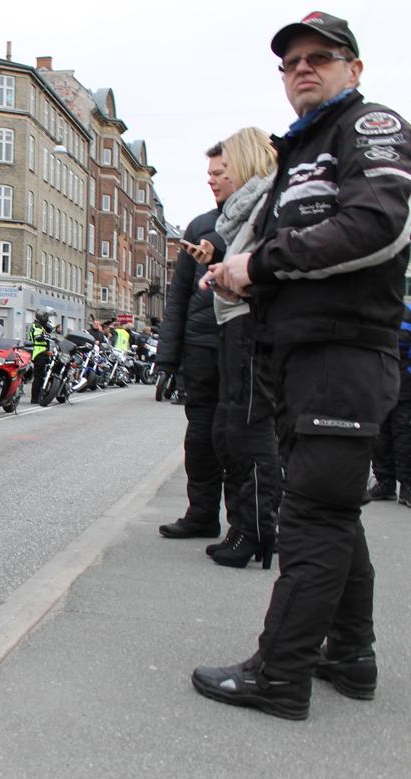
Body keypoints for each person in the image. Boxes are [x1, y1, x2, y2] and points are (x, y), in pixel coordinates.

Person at [193, 12, 411, 720]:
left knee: (311, 516)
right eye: (290, 64)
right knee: (331, 511)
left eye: (320, 58)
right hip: (303, 353)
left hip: (344, 351)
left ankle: (279, 673)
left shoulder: (370, 126)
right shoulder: (303, 146)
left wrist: (261, 264)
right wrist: (235, 272)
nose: (302, 70)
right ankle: (349, 654)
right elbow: (284, 244)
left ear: (355, 66)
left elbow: (378, 224)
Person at [187, 128, 282, 570]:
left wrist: (227, 273)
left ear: (243, 164)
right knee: (232, 430)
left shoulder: (264, 204)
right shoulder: (241, 213)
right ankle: (247, 527)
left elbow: (267, 265)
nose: (213, 179)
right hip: (233, 324)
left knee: (248, 430)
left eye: (222, 170)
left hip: (250, 326)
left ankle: (258, 530)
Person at [155, 144, 232, 541]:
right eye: (210, 172)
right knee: (200, 438)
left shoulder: (261, 221)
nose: (211, 179)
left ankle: (247, 525)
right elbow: (178, 294)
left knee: (237, 438)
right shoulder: (199, 225)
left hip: (242, 348)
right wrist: (167, 359)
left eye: (219, 172)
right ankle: (202, 514)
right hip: (200, 350)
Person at [365, 304, 411, 505]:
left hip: (404, 380)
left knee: (404, 433)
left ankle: (407, 485)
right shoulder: (375, 309)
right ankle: (385, 481)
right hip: (381, 378)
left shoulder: (406, 311)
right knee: (382, 433)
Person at [29, 307, 56, 404]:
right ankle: (35, 398)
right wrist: (43, 336)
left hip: (44, 352)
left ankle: (42, 393)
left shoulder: (42, 326)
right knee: (38, 376)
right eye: (46, 317)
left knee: (43, 374)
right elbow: (38, 337)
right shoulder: (36, 326)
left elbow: (49, 330)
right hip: (38, 351)